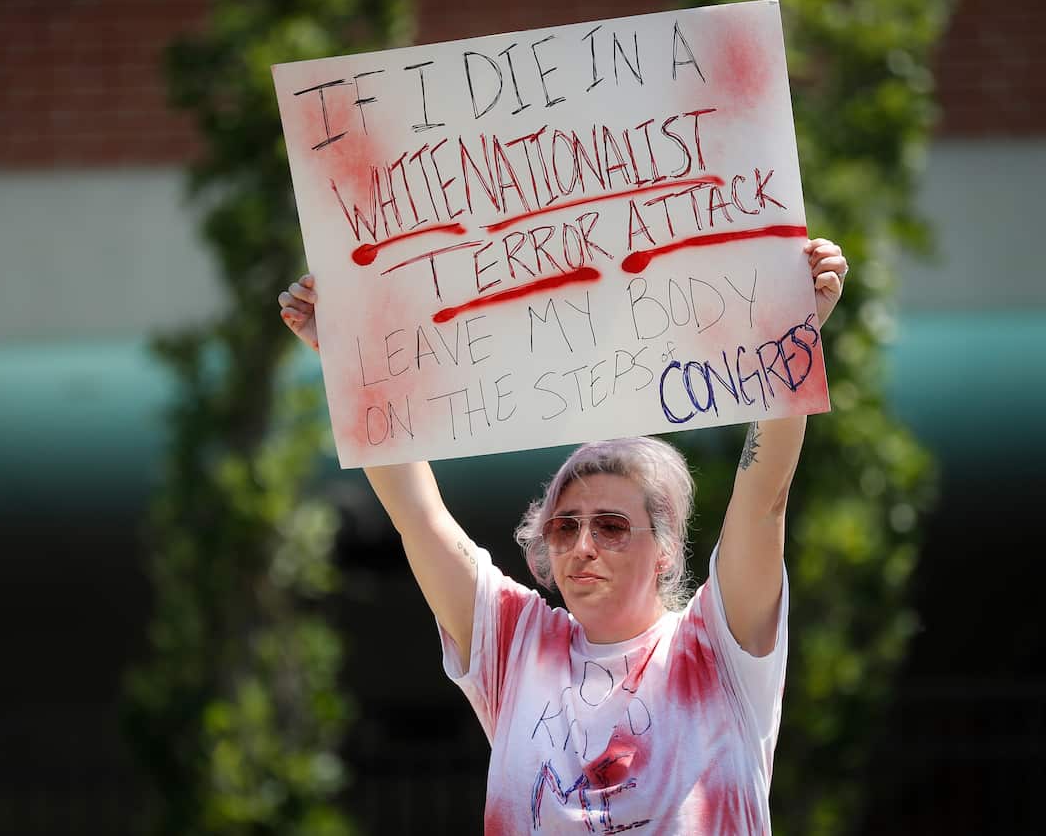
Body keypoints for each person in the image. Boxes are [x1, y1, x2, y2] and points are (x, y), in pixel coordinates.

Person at [278, 239, 849, 834]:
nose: (583, 546)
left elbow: (765, 499)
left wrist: (795, 328)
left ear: (666, 549)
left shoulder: (716, 646)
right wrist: (348, 358)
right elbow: (417, 515)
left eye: (611, 526)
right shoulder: (518, 645)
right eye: (565, 527)